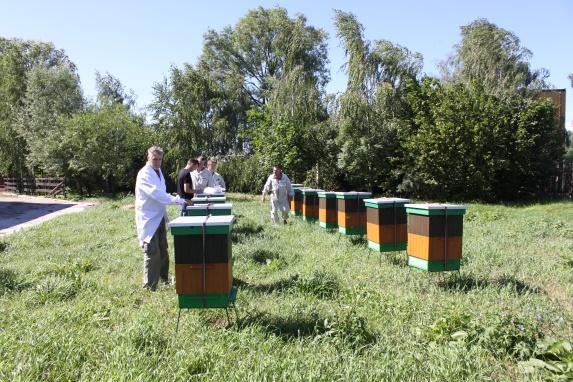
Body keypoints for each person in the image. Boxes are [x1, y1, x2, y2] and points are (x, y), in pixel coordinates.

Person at [135, 145, 190, 291]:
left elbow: (161, 192)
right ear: (148, 157)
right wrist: (178, 200)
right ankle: (149, 286)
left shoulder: (158, 171)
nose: (158, 162)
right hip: (148, 218)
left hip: (159, 216)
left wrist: (175, 199)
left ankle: (163, 279)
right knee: (152, 252)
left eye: (160, 159)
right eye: (155, 159)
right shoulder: (144, 174)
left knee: (164, 250)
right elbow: (157, 194)